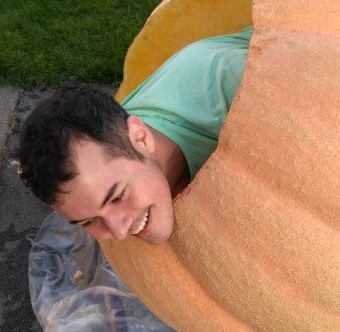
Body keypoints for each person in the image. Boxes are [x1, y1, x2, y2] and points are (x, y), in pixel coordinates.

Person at [15, 26, 253, 245]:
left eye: (117, 197)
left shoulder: (236, 85)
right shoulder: (117, 154)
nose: (119, 233)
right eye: (88, 222)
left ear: (140, 137)